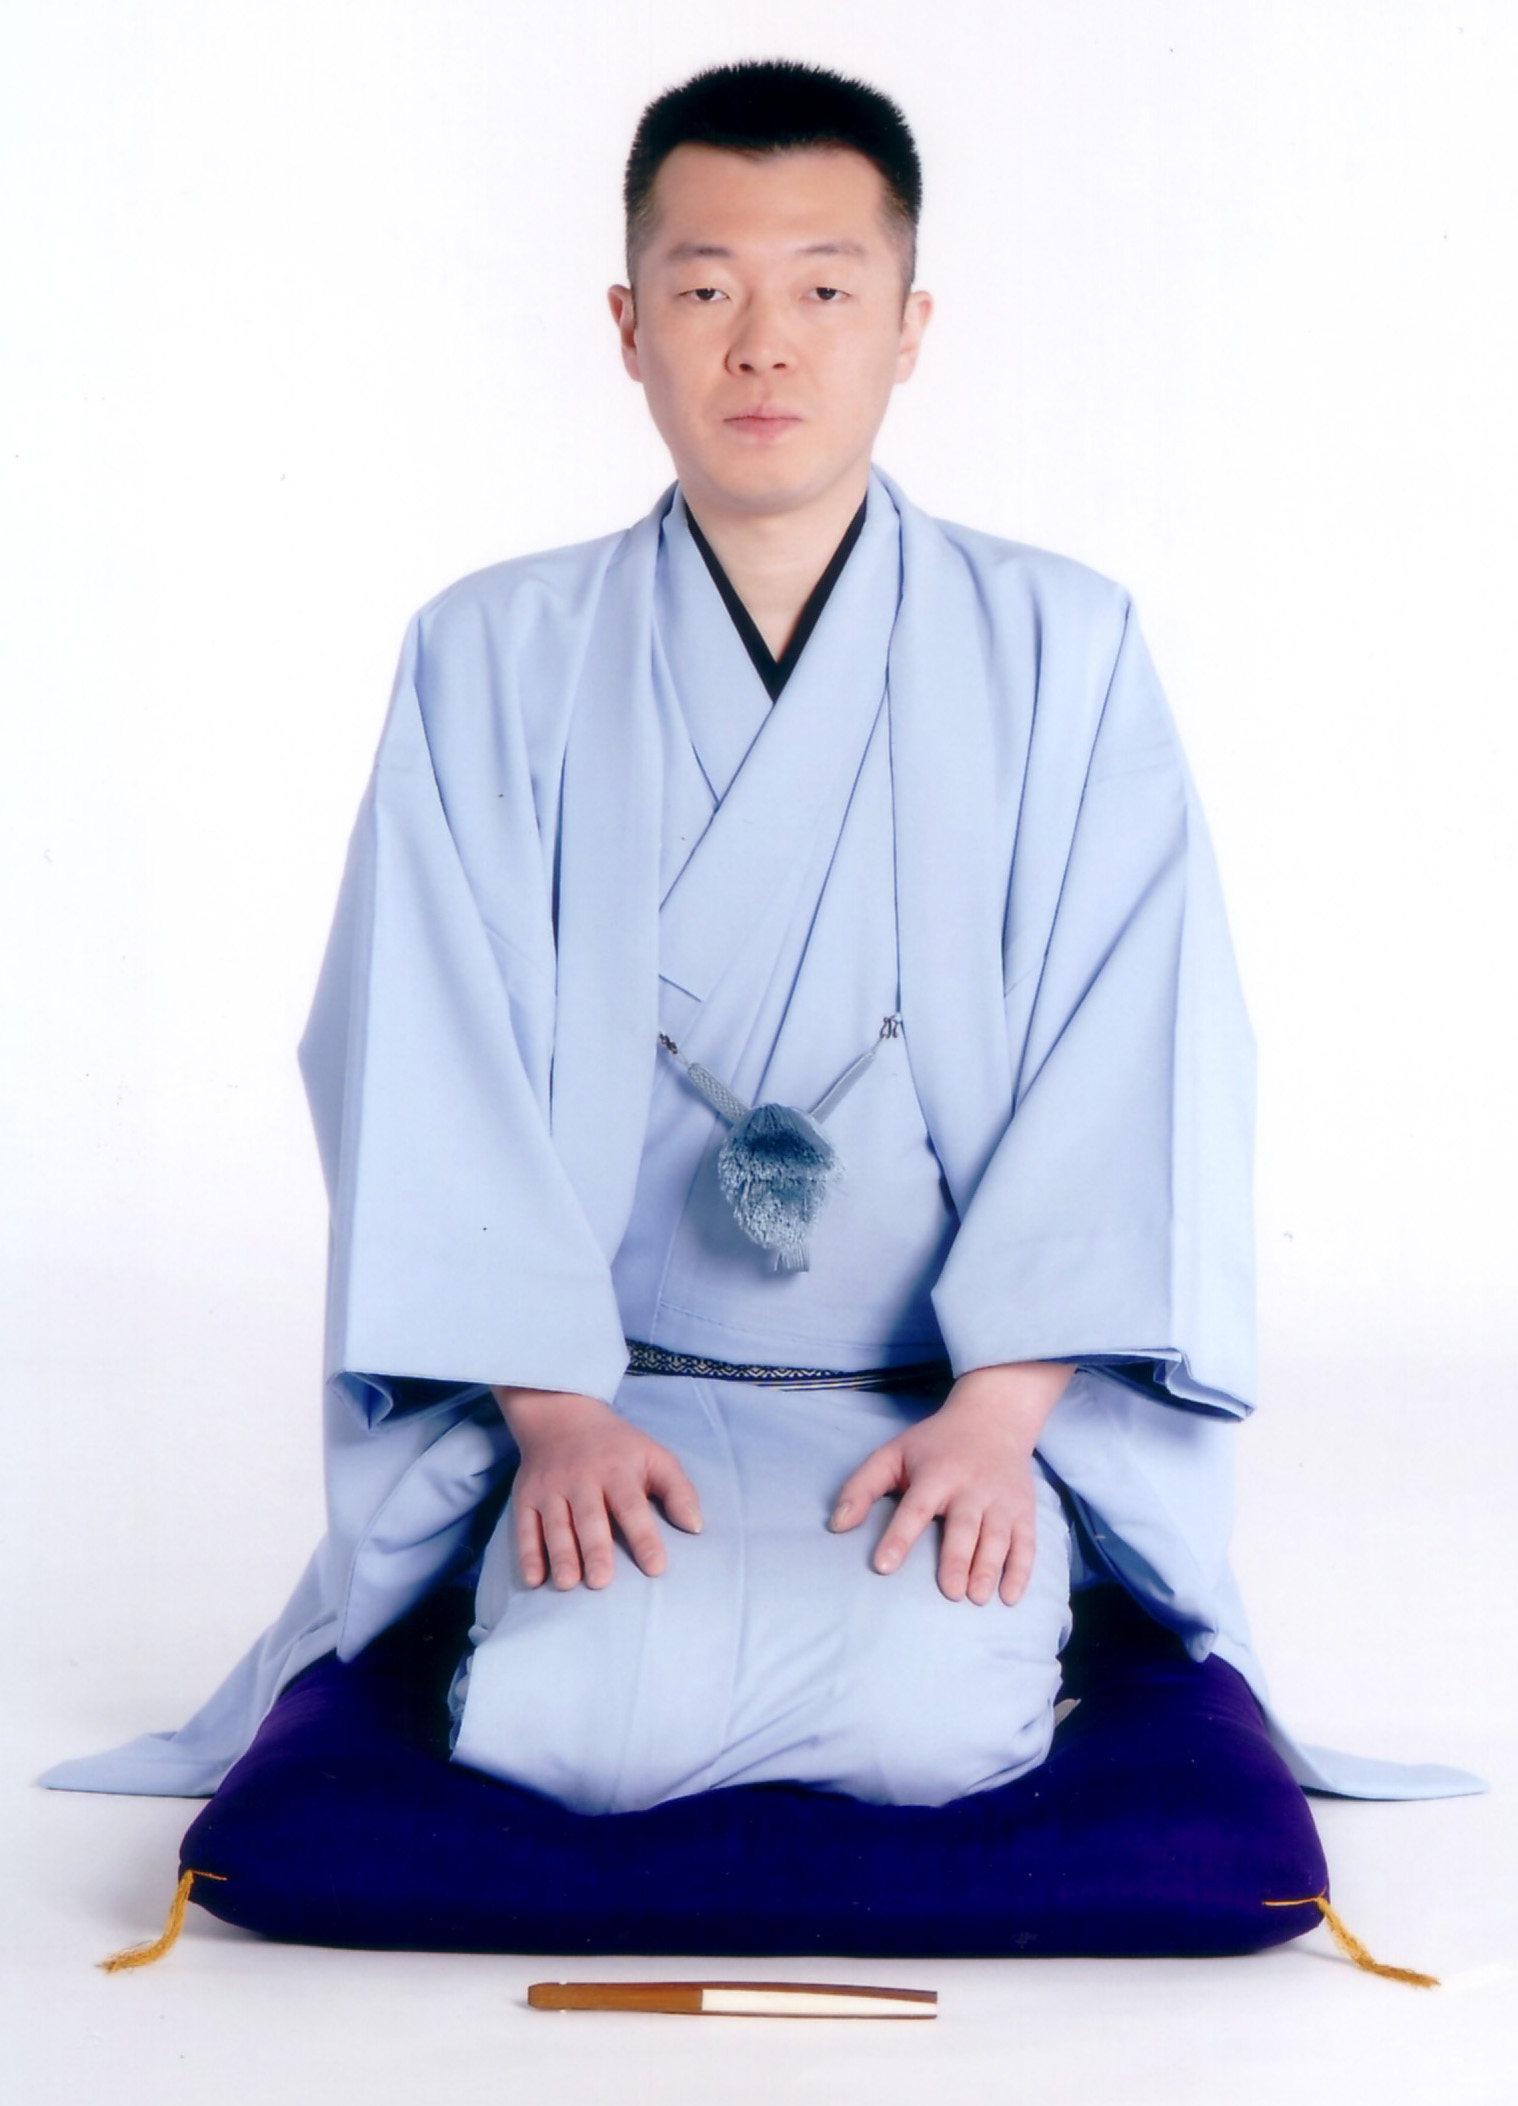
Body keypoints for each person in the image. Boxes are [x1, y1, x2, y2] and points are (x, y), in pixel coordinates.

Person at [39, 59, 1476, 1810]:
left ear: (910, 326)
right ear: (628, 325)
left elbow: (1138, 1041)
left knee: (928, 1728)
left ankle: (1032, 1555)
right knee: (568, 1725)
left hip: (937, 1404)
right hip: (604, 1399)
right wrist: (551, 1415)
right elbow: (417, 1042)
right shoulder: (490, 652)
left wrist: (1000, 1417)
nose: (763, 347)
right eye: (708, 291)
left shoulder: (1062, 644)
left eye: (824, 292)